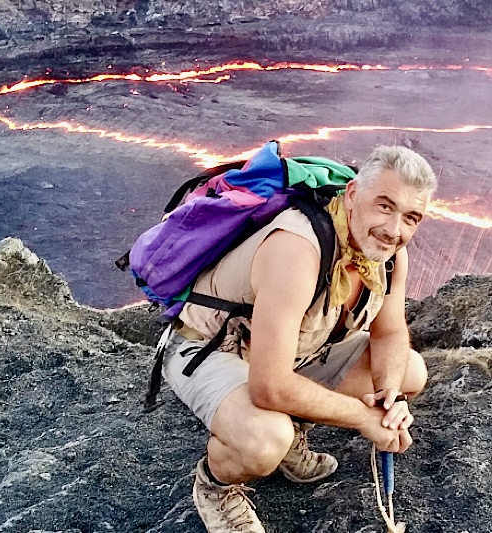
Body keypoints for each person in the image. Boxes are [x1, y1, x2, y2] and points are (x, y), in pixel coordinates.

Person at [157, 145, 437, 532]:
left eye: (410, 217)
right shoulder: (298, 248)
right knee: (264, 438)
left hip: (289, 353)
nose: (394, 229)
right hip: (209, 347)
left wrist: (388, 398)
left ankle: (293, 436)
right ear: (352, 194)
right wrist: (363, 417)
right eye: (384, 206)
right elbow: (270, 386)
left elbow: (389, 332)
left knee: (409, 372)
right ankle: (215, 486)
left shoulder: (386, 256)